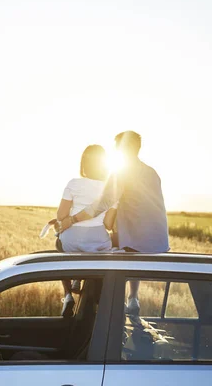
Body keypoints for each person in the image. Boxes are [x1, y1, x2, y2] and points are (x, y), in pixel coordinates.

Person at [58, 131, 169, 315]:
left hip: (136, 240)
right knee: (121, 239)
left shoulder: (121, 173)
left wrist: (72, 219)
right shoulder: (152, 172)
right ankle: (133, 297)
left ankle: (88, 292)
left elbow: (100, 205)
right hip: (159, 241)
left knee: (104, 242)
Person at [55, 144, 116, 315]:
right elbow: (109, 224)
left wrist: (70, 219)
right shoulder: (111, 189)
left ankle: (68, 295)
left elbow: (61, 215)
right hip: (98, 243)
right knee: (93, 247)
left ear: (83, 164)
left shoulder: (74, 184)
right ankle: (78, 280)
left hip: (72, 241)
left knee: (60, 246)